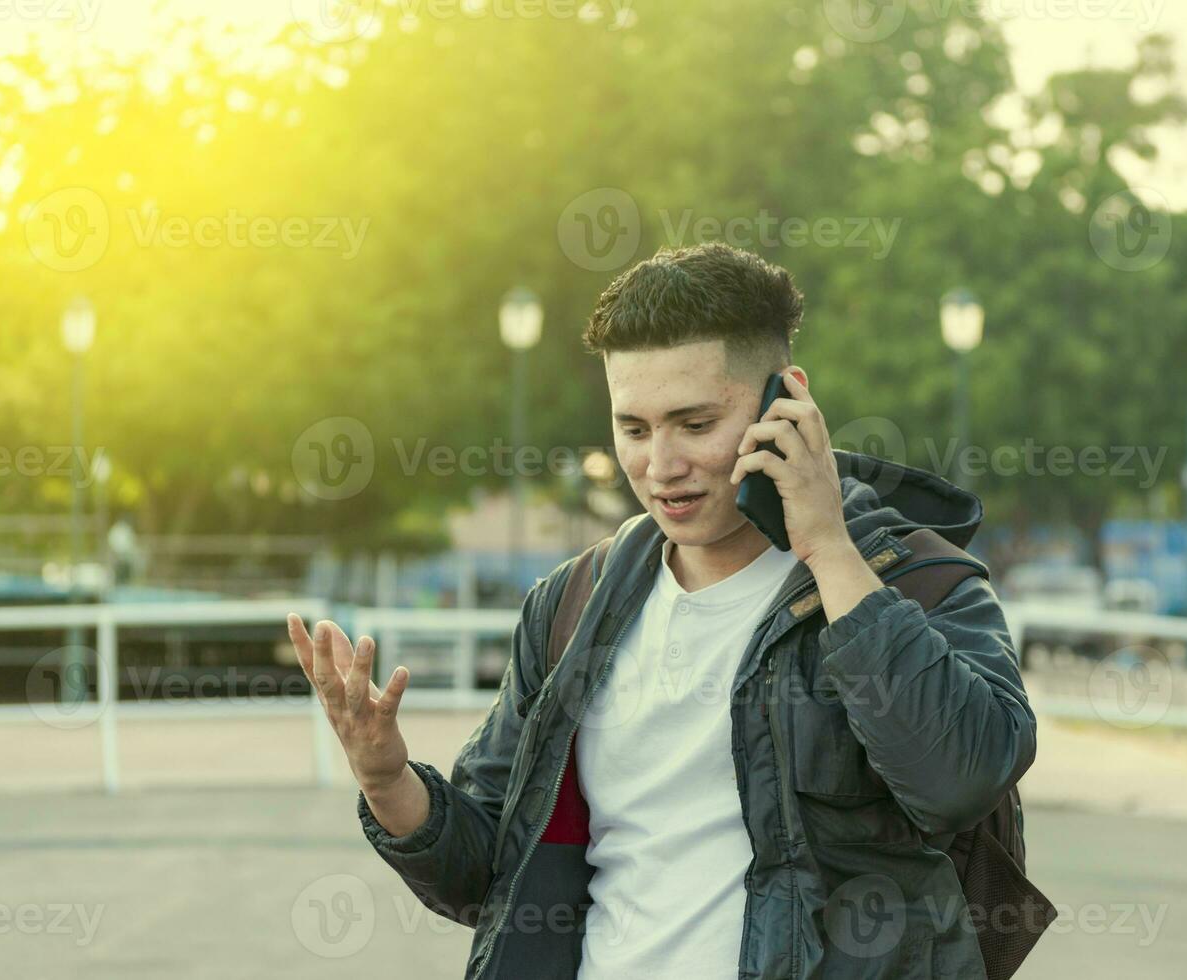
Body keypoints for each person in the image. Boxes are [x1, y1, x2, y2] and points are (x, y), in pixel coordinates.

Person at [287, 242, 1037, 979]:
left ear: (788, 402)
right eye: (634, 429)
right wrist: (388, 782)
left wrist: (829, 551)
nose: (660, 465)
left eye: (695, 424)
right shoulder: (573, 603)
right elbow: (493, 878)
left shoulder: (915, 580)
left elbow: (960, 778)